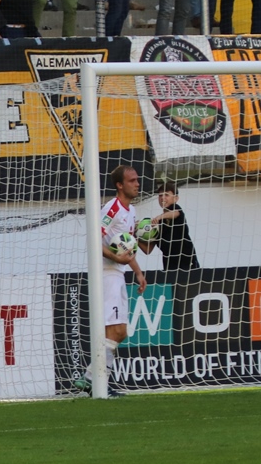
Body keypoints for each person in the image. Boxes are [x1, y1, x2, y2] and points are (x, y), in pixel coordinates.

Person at [74, 165, 147, 396]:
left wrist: (138, 272)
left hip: (118, 273)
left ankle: (92, 379)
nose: (137, 184)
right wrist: (116, 258)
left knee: (120, 331)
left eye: (137, 179)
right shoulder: (111, 208)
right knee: (114, 330)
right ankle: (95, 380)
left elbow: (127, 248)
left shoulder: (131, 211)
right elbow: (94, 238)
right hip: (105, 274)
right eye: (132, 180)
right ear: (119, 185)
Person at [147, 182, 199, 272]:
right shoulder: (158, 225)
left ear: (176, 198)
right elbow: (148, 249)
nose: (162, 198)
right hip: (169, 266)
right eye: (160, 195)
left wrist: (159, 217)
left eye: (166, 195)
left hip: (186, 262)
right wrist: (136, 234)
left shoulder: (175, 209)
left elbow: (175, 213)